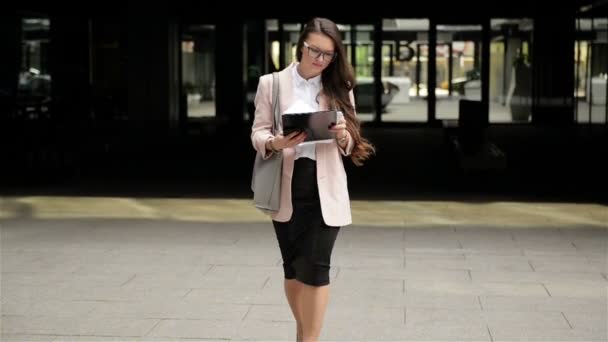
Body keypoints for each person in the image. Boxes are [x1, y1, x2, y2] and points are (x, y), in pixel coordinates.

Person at [250, 17, 374, 342]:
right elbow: (258, 132)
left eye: (328, 55)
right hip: (287, 185)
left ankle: (309, 339)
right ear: (300, 45)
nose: (319, 60)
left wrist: (343, 134)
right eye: (313, 51)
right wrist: (276, 142)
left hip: (325, 187)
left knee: (316, 268)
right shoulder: (271, 84)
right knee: (293, 270)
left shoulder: (339, 88)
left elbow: (351, 145)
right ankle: (304, 333)